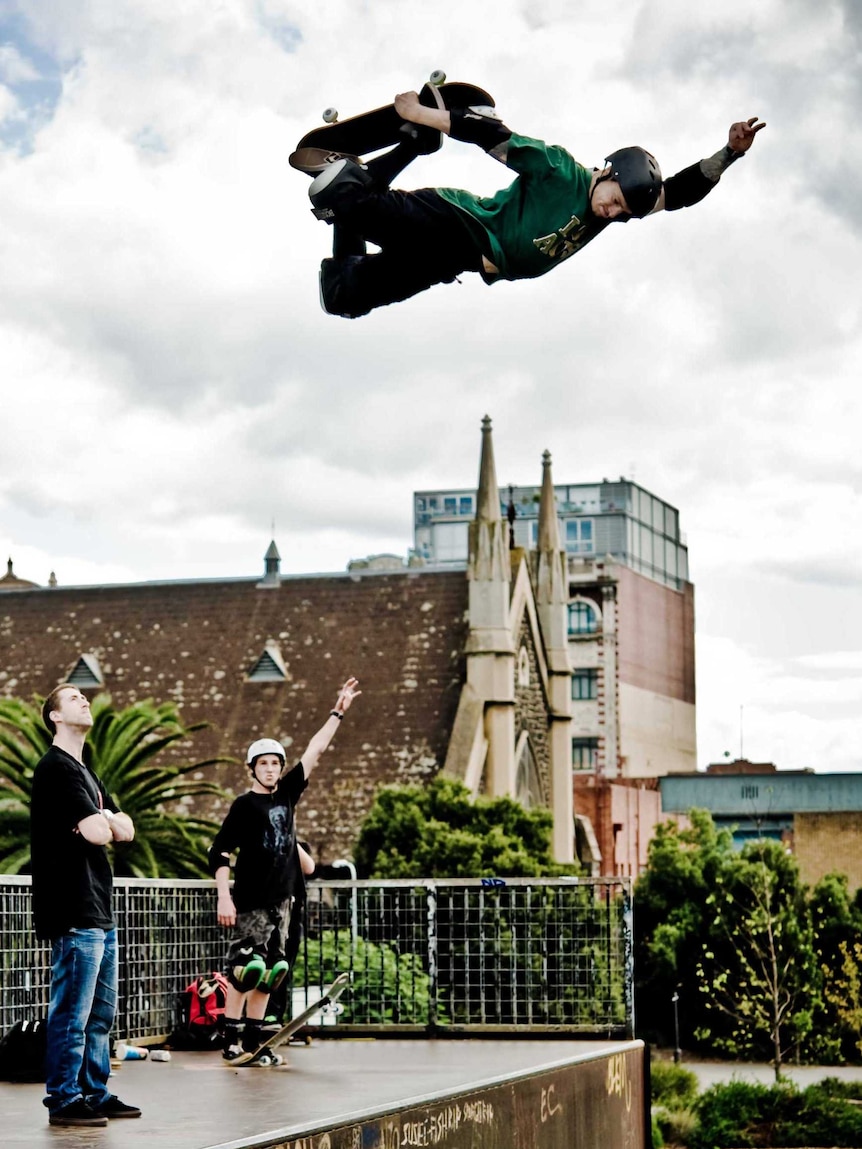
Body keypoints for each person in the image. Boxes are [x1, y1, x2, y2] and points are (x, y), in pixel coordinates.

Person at [307, 90, 766, 318]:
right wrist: (420, 115)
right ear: (607, 172)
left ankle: (364, 170)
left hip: (455, 261)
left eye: (623, 212)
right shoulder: (557, 170)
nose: (612, 213)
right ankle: (391, 155)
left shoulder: (624, 205)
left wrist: (730, 154)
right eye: (613, 203)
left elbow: (681, 192)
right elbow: (494, 137)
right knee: (344, 201)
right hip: (457, 224)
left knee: (344, 297)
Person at [208, 676, 360, 1062]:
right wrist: (224, 897)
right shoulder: (244, 806)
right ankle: (230, 1039)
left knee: (272, 970)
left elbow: (316, 749)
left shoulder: (289, 794)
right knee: (247, 969)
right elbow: (220, 851)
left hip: (283, 901)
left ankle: (256, 1043)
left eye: (276, 764)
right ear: (252, 769)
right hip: (250, 900)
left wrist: (337, 711)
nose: (272, 770)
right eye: (264, 764)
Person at [30, 684, 141, 1127]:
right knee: (71, 1012)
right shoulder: (55, 768)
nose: (84, 701)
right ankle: (63, 1098)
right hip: (72, 908)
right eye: (73, 698)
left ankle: (95, 1091)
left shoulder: (87, 774)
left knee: (100, 1014)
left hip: (99, 906)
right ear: (55, 717)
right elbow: (99, 834)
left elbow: (125, 830)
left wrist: (104, 821)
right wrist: (102, 824)